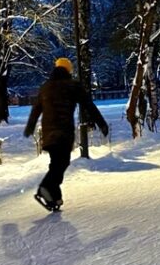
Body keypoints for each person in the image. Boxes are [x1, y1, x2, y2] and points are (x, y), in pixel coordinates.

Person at [23, 57, 108, 211]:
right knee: (61, 164)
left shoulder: (45, 87)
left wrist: (30, 127)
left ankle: (54, 199)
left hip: (49, 133)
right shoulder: (72, 86)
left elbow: (36, 110)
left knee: (56, 163)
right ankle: (45, 187)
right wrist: (101, 123)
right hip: (63, 132)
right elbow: (88, 105)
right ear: (69, 70)